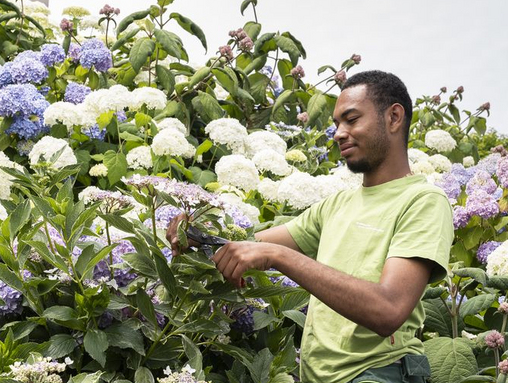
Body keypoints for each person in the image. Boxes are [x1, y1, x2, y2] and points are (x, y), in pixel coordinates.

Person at [167, 70, 453, 383]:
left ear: (394, 118)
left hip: (377, 374)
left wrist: (278, 256)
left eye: (351, 119)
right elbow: (247, 244)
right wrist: (194, 232)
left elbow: (389, 310)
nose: (339, 134)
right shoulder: (337, 205)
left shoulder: (423, 200)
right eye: (336, 124)